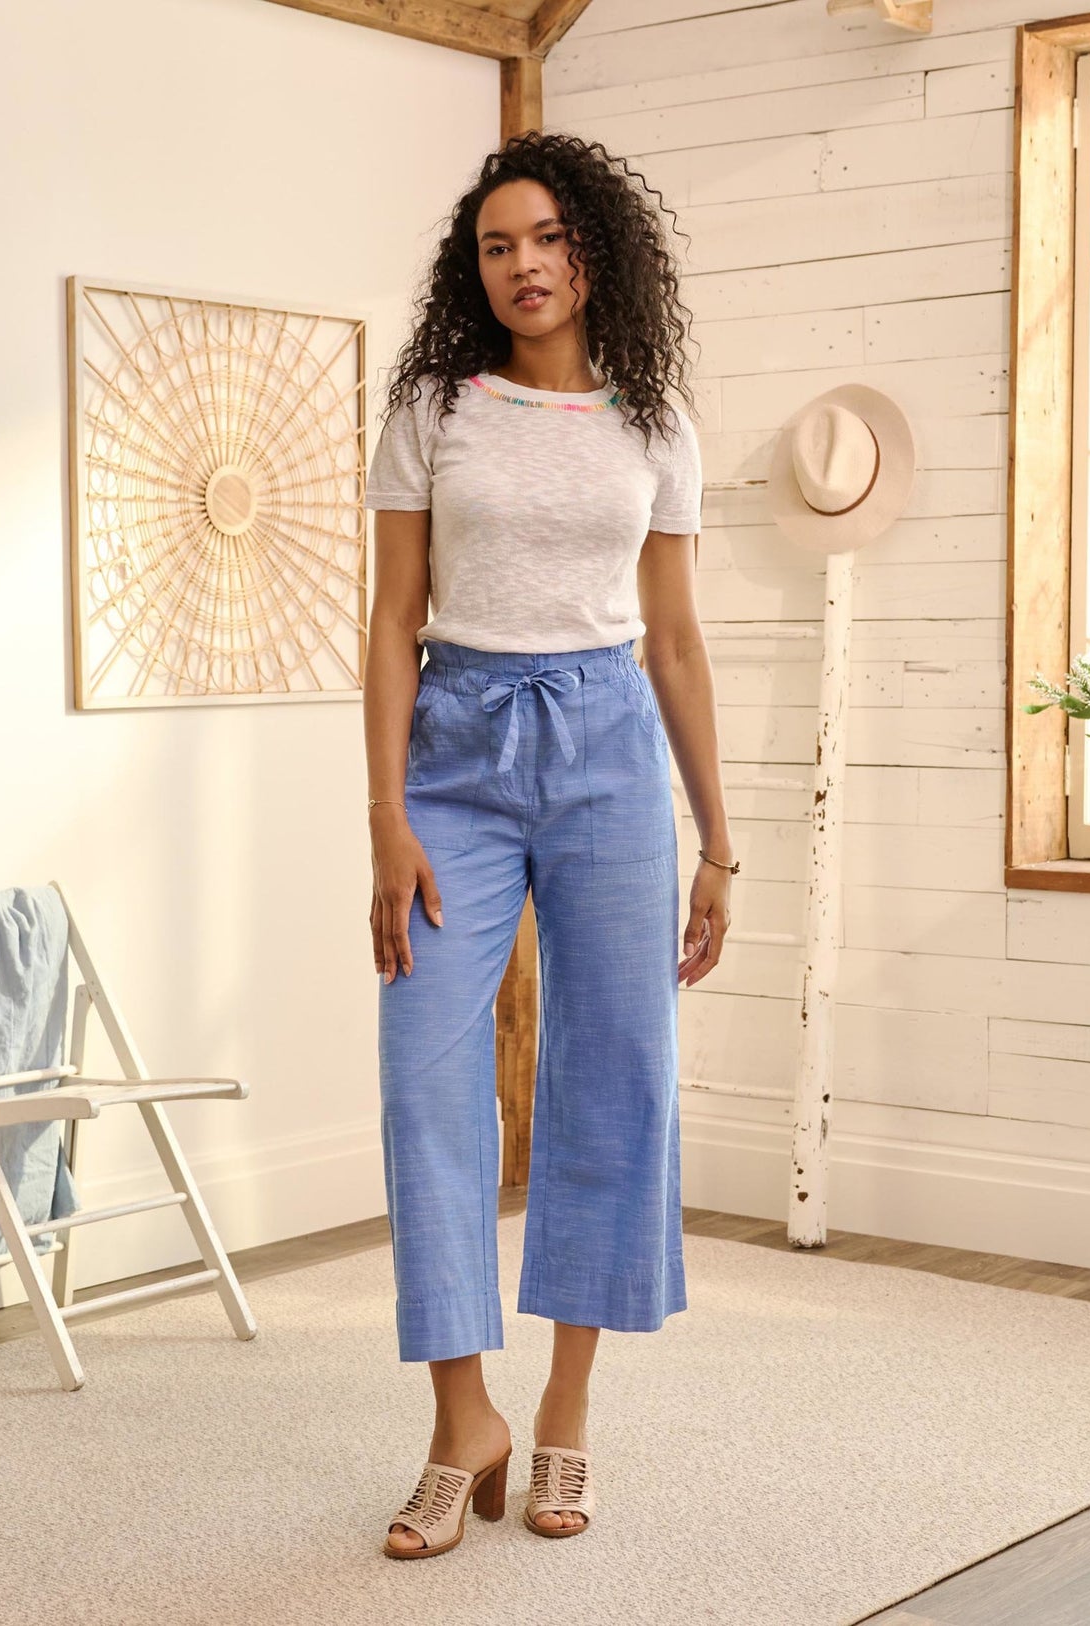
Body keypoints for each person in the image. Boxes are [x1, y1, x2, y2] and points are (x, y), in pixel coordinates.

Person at [363, 130, 737, 1560]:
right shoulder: (432, 415)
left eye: (544, 239)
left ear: (596, 253)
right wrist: (386, 815)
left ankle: (567, 1404)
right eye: (495, 246)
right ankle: (465, 1418)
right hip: (453, 748)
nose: (522, 266)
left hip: (605, 752)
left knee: (615, 1075)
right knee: (425, 1083)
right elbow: (392, 619)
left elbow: (680, 642)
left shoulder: (654, 422)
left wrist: (720, 842)